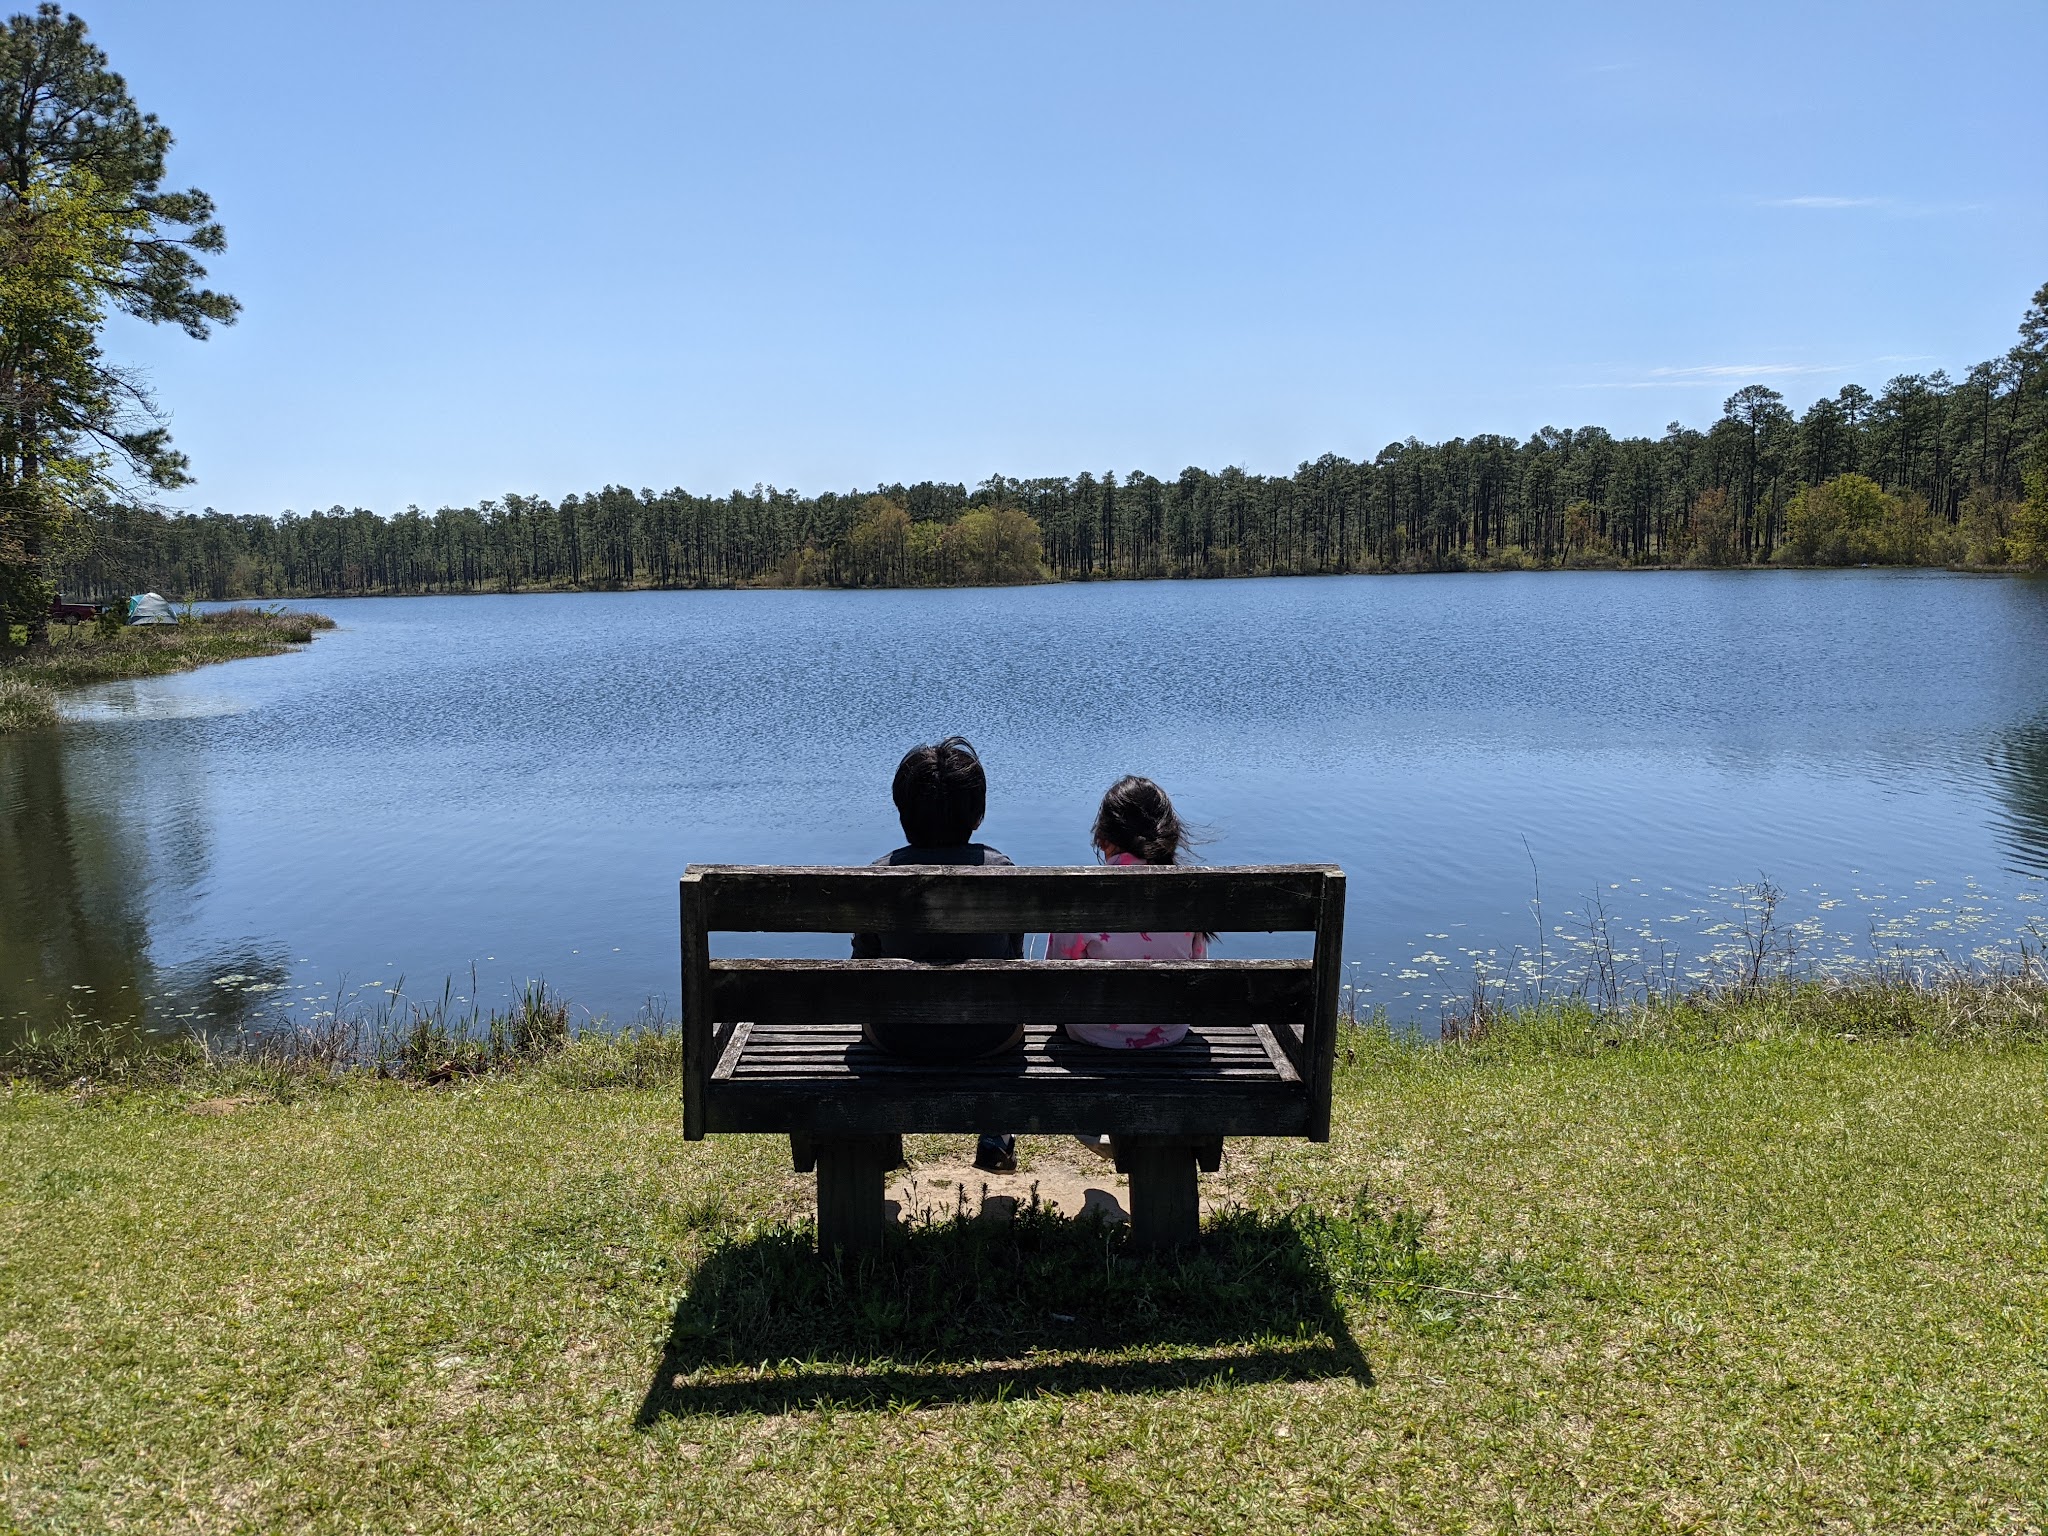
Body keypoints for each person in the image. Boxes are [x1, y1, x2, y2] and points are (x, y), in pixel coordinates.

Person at [852, 735, 1024, 1172]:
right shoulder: (1002, 873)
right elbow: (1012, 962)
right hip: (990, 1039)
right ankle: (995, 1134)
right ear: (977, 815)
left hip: (896, 1039)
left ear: (902, 812)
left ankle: (880, 1139)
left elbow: (861, 970)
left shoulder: (879, 877)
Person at [1047, 776, 1210, 1158]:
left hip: (1092, 1035)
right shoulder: (1190, 893)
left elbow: (1054, 978)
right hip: (1169, 1033)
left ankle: (1095, 1121)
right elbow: (1199, 969)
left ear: (1104, 837)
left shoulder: (1084, 892)